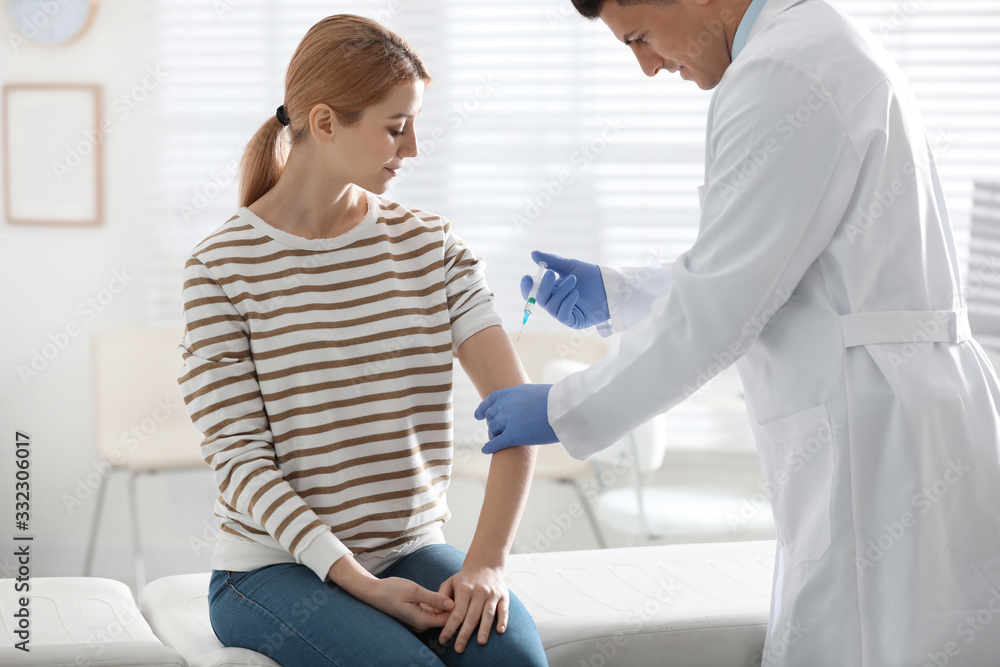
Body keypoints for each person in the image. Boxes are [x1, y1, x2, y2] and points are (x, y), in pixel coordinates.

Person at [476, 0, 1000, 665]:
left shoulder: (782, 71)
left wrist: (559, 407)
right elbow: (767, 272)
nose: (645, 66)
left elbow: (720, 309)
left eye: (638, 36)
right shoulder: (812, 44)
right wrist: (618, 295)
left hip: (878, 444)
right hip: (898, 420)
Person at [176, 14, 548, 667]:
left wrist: (487, 563)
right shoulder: (220, 268)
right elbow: (240, 461)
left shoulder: (433, 247)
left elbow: (516, 413)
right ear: (325, 123)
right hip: (273, 567)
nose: (413, 151)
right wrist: (362, 585)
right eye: (397, 129)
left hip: (410, 547)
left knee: (513, 660)